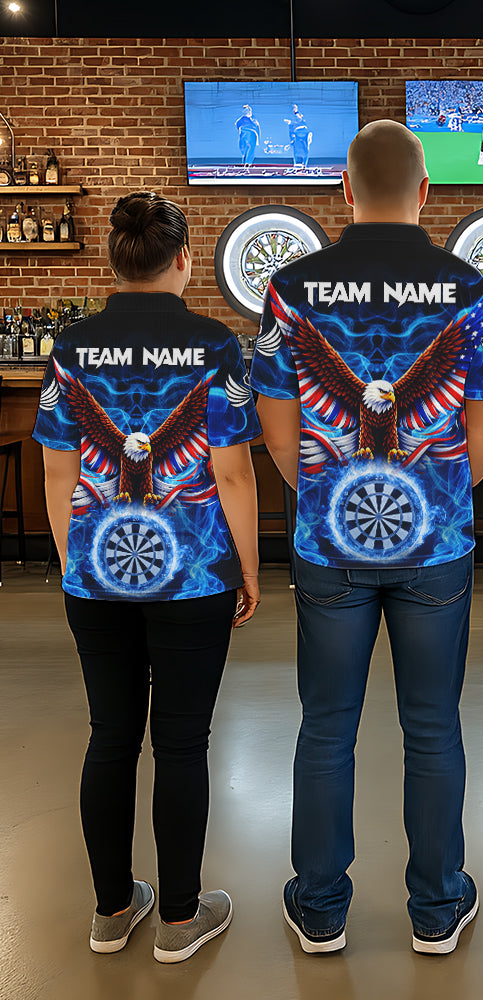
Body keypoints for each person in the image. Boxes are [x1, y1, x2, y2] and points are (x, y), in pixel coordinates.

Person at [251, 120, 483, 956]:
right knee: (432, 726)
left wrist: (338, 498)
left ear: (345, 190)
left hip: (329, 545)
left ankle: (320, 908)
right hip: (437, 547)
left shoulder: (291, 288)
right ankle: (436, 909)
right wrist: (430, 500)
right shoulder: (468, 288)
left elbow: (277, 428)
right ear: (426, 191)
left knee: (326, 727)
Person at [33, 192, 261, 963]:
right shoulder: (214, 346)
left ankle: (111, 910)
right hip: (193, 578)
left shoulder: (70, 348)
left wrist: (76, 564)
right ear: (185, 260)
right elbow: (232, 474)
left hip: (95, 575)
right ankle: (179, 920)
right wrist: (248, 568)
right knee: (182, 743)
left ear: (115, 263)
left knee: (110, 736)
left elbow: (58, 473)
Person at [235, 104, 261, 170]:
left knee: (248, 150)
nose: (248, 112)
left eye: (248, 111)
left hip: (250, 137)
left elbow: (257, 130)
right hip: (246, 137)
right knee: (246, 150)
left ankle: (247, 164)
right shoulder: (242, 121)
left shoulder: (253, 121)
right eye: (246, 111)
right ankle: (246, 164)